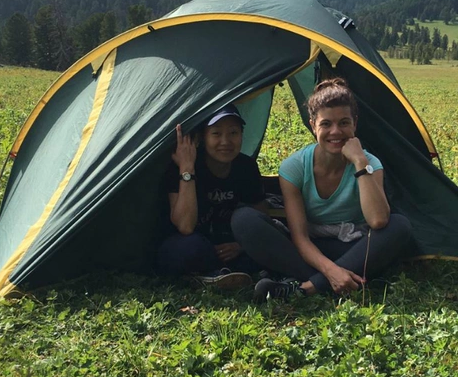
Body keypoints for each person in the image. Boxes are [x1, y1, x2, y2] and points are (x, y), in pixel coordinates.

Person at [231, 78, 412, 301]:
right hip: (310, 247)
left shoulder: (369, 163)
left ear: (355, 123)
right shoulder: (294, 167)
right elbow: (300, 237)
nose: (335, 132)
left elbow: (377, 221)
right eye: (326, 124)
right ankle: (338, 280)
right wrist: (332, 271)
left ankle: (304, 288)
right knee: (244, 219)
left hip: (352, 245)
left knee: (399, 226)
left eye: (344, 123)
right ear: (312, 125)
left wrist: (359, 162)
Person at [157, 104, 267, 288]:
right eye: (216, 134)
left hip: (229, 245)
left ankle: (216, 275)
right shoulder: (183, 168)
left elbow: (261, 218)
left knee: (263, 247)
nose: (226, 141)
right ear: (202, 138)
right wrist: (187, 170)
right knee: (189, 249)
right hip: (192, 243)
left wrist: (241, 245)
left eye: (233, 133)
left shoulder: (246, 167)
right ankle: (214, 273)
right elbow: (185, 226)